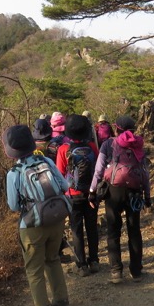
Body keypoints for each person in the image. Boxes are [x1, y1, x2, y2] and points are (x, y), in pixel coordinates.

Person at [3, 124, 71, 306]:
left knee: (34, 270)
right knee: (53, 259)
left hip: (32, 226)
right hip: (56, 218)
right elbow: (65, 186)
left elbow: (14, 206)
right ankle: (63, 302)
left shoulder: (14, 173)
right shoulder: (46, 161)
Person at [89, 115, 152, 284]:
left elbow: (99, 168)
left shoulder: (108, 144)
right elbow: (145, 172)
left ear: (116, 129)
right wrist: (148, 195)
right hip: (135, 192)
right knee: (134, 231)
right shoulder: (139, 144)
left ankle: (116, 271)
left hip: (114, 191)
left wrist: (92, 190)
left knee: (113, 231)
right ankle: (136, 271)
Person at [55, 114, 100, 276]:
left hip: (72, 195)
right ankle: (94, 261)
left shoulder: (63, 150)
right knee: (92, 227)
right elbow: (97, 170)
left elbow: (60, 174)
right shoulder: (92, 147)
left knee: (76, 230)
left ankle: (81, 265)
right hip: (91, 194)